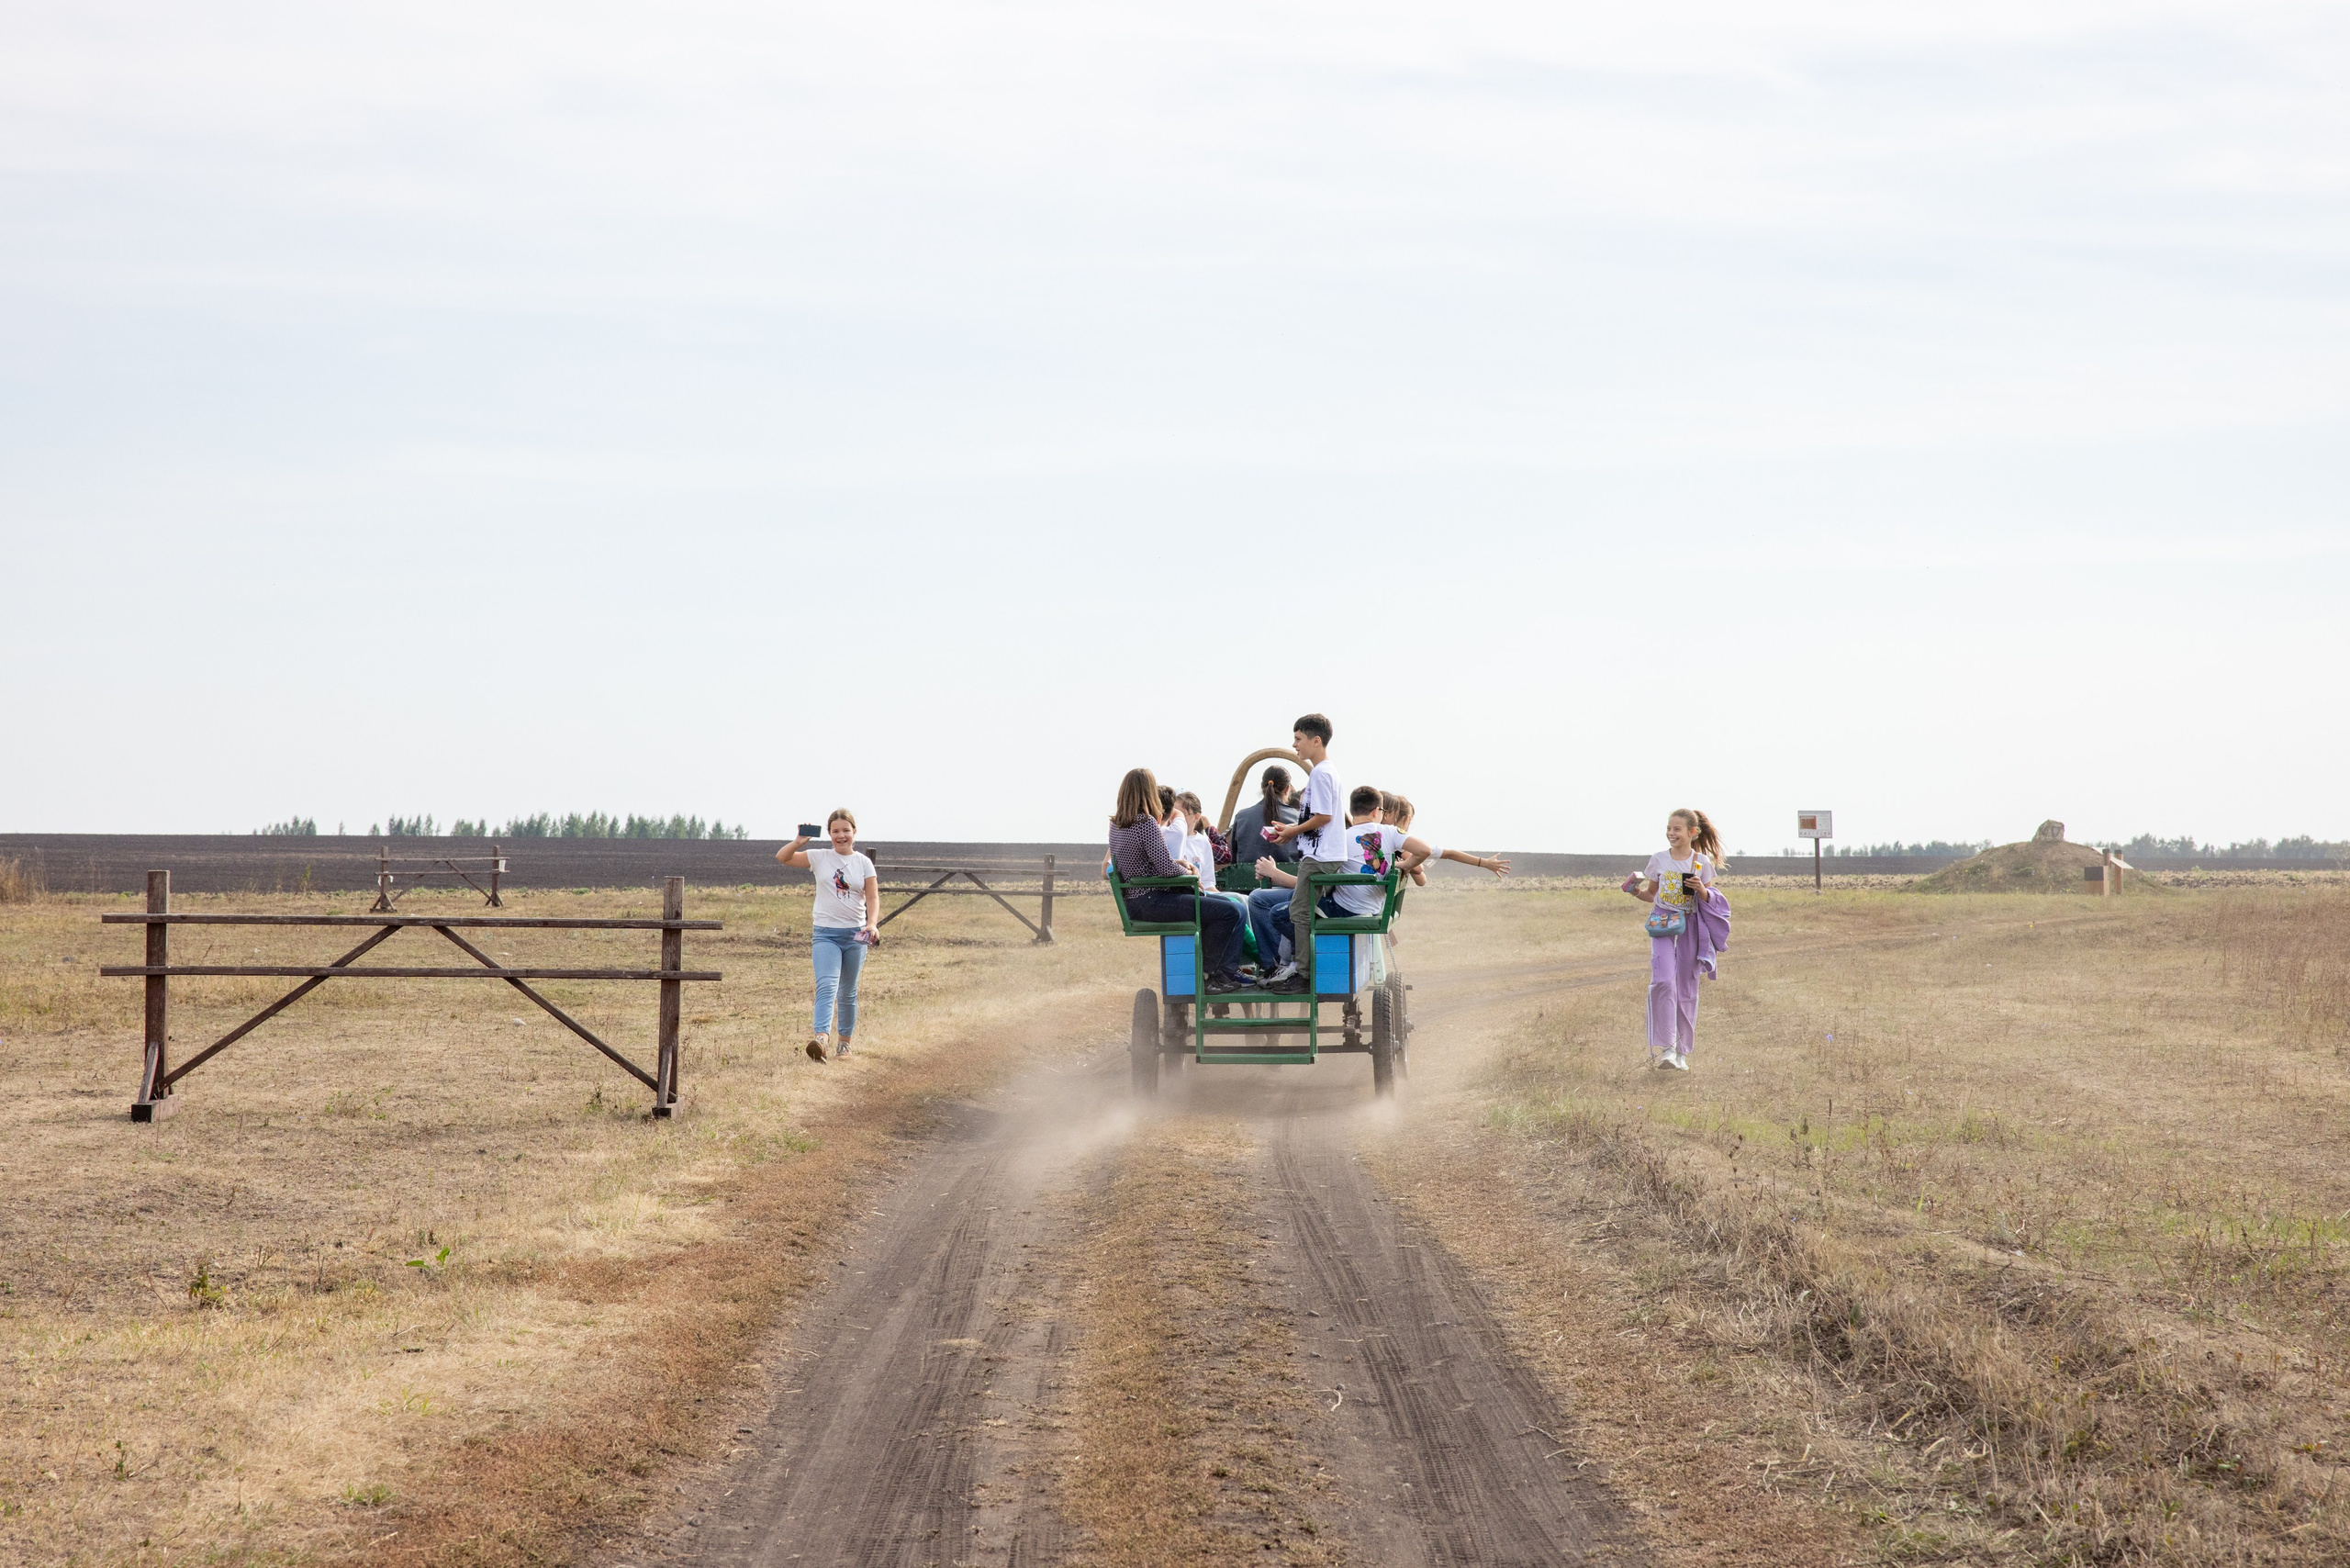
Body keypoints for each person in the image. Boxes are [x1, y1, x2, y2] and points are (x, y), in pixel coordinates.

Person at [1250, 784, 1428, 987]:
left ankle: (1296, 964)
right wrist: (1405, 865)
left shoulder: (1340, 838)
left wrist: (1274, 874)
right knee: (1291, 902)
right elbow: (1424, 853)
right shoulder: (1386, 833)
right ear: (1376, 811)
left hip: (1347, 907)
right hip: (1367, 904)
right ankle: (1290, 962)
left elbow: (1315, 882)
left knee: (1283, 911)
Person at [1107, 767, 1248, 991]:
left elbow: (1150, 864)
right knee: (1230, 911)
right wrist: (1191, 872)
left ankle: (1221, 973)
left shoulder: (1116, 824)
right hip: (1152, 900)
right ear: (1148, 793)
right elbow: (1166, 868)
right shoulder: (1146, 823)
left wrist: (1180, 865)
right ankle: (1213, 974)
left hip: (1137, 902)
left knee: (1230, 906)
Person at [1622, 807, 1732, 1072]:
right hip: (1662, 923)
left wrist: (1702, 890)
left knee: (1685, 989)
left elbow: (1710, 900)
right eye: (1669, 828)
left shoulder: (1701, 863)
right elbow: (1652, 895)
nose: (1671, 833)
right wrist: (1633, 892)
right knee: (1662, 981)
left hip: (1690, 926)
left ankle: (1681, 1053)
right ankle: (1666, 1049)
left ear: (1692, 833)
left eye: (1677, 829)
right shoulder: (1658, 860)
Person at [776, 809, 879, 1063]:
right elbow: (783, 858)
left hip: (856, 935)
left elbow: (872, 896)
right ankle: (821, 1038)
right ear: (829, 834)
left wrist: (872, 924)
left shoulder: (863, 863)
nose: (841, 835)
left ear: (854, 832)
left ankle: (844, 1044)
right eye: (835, 831)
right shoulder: (818, 857)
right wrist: (798, 842)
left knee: (848, 992)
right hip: (825, 934)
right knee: (827, 985)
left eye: (846, 830)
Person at [1266, 713, 1347, 978]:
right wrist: (1290, 832)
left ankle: (1303, 973)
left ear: (1316, 740)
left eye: (1298, 739)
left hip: (1320, 857)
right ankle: (1305, 967)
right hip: (1321, 854)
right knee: (1300, 911)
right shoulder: (1325, 772)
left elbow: (1324, 817)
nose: (1294, 744)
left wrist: (1293, 830)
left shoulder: (1321, 774)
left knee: (1299, 912)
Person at [1228, 766, 1302, 868]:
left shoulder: (1241, 817)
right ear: (1287, 789)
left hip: (1248, 882)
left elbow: (1234, 859)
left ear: (1262, 786)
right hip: (1291, 883)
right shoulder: (1299, 818)